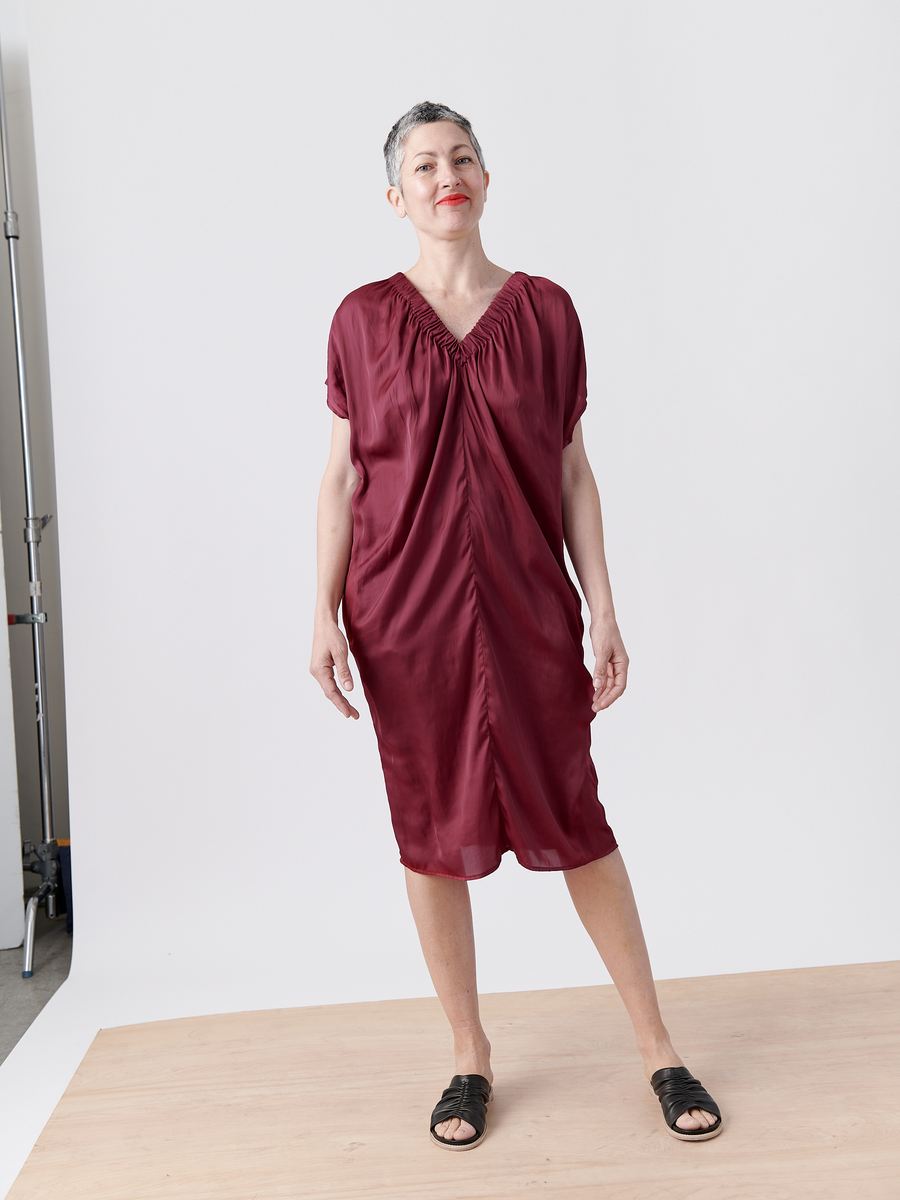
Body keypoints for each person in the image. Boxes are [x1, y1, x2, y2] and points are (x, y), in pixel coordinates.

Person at [311, 101, 722, 1151]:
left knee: (577, 821)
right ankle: (469, 1056)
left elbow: (574, 470)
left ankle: (658, 1047)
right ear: (394, 196)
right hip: (402, 618)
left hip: (533, 607)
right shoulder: (360, 318)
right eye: (423, 164)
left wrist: (606, 605)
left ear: (486, 180)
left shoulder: (546, 312)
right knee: (431, 837)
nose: (446, 175)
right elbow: (343, 478)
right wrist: (319, 608)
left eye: (463, 158)